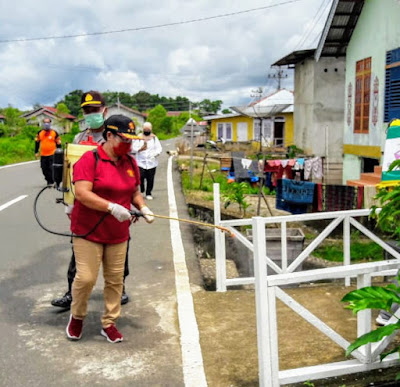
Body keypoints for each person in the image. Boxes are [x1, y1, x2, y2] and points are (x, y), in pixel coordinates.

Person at [66, 114, 154, 343]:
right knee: (85, 278)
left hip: (118, 233)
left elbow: (134, 191)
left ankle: (109, 322)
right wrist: (111, 207)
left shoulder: (130, 162)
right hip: (88, 231)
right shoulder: (89, 160)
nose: (128, 145)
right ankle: (77, 316)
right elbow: (83, 193)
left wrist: (143, 207)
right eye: (123, 140)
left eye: (131, 141)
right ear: (109, 135)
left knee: (115, 279)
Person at [51, 91, 131, 309]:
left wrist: (129, 203)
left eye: (94, 110)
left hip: (114, 205)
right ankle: (71, 293)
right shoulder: (79, 139)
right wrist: (69, 201)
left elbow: (127, 171)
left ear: (104, 111)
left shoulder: (116, 137)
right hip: (86, 205)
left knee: (118, 249)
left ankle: (119, 288)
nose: (90, 114)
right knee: (79, 250)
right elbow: (71, 171)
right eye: (87, 111)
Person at [131, 122, 162, 200]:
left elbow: (159, 148)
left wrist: (155, 154)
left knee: (150, 179)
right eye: (145, 129)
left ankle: (148, 193)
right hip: (140, 162)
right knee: (140, 177)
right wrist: (140, 149)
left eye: (148, 129)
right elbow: (133, 148)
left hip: (152, 162)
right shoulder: (138, 138)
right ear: (143, 129)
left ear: (151, 129)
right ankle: (142, 190)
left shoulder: (154, 138)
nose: (147, 130)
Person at [34, 118, 61, 185]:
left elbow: (58, 143)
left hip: (52, 154)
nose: (46, 124)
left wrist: (59, 153)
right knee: (44, 169)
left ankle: (51, 181)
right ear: (43, 123)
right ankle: (48, 179)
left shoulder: (54, 133)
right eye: (45, 122)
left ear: (50, 123)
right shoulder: (40, 133)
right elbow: (37, 142)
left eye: (48, 122)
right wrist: (36, 152)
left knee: (51, 168)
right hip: (43, 154)